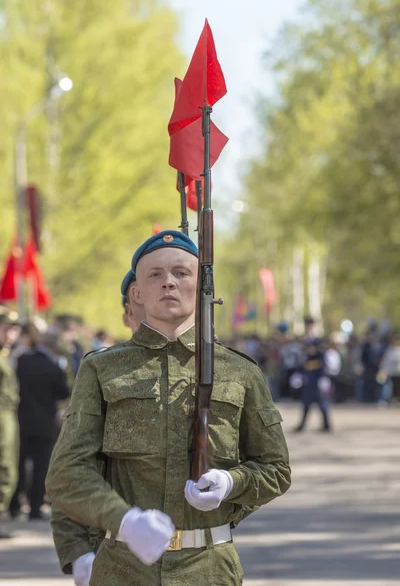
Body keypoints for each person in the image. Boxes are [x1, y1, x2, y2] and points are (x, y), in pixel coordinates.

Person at [46, 230, 291, 585]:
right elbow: (66, 474)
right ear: (137, 293)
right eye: (155, 275)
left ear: (202, 287)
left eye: (181, 273)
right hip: (123, 569)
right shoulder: (101, 369)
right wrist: (124, 521)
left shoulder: (240, 371)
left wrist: (230, 482)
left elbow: (276, 470)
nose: (169, 284)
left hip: (210, 568)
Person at [51, 268, 146, 586]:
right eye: (139, 301)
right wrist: (78, 551)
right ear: (127, 312)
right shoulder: (102, 371)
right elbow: (71, 474)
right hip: (111, 548)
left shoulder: (207, 371)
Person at [9, 329, 70, 520]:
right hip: (44, 423)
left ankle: (13, 505)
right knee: (40, 465)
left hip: (21, 420)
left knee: (17, 462)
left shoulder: (22, 361)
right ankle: (35, 508)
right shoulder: (53, 366)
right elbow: (63, 392)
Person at [0, 313, 19, 538]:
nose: (12, 334)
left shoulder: (6, 355)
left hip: (8, 414)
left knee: (8, 463)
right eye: (8, 328)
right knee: (4, 463)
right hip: (2, 415)